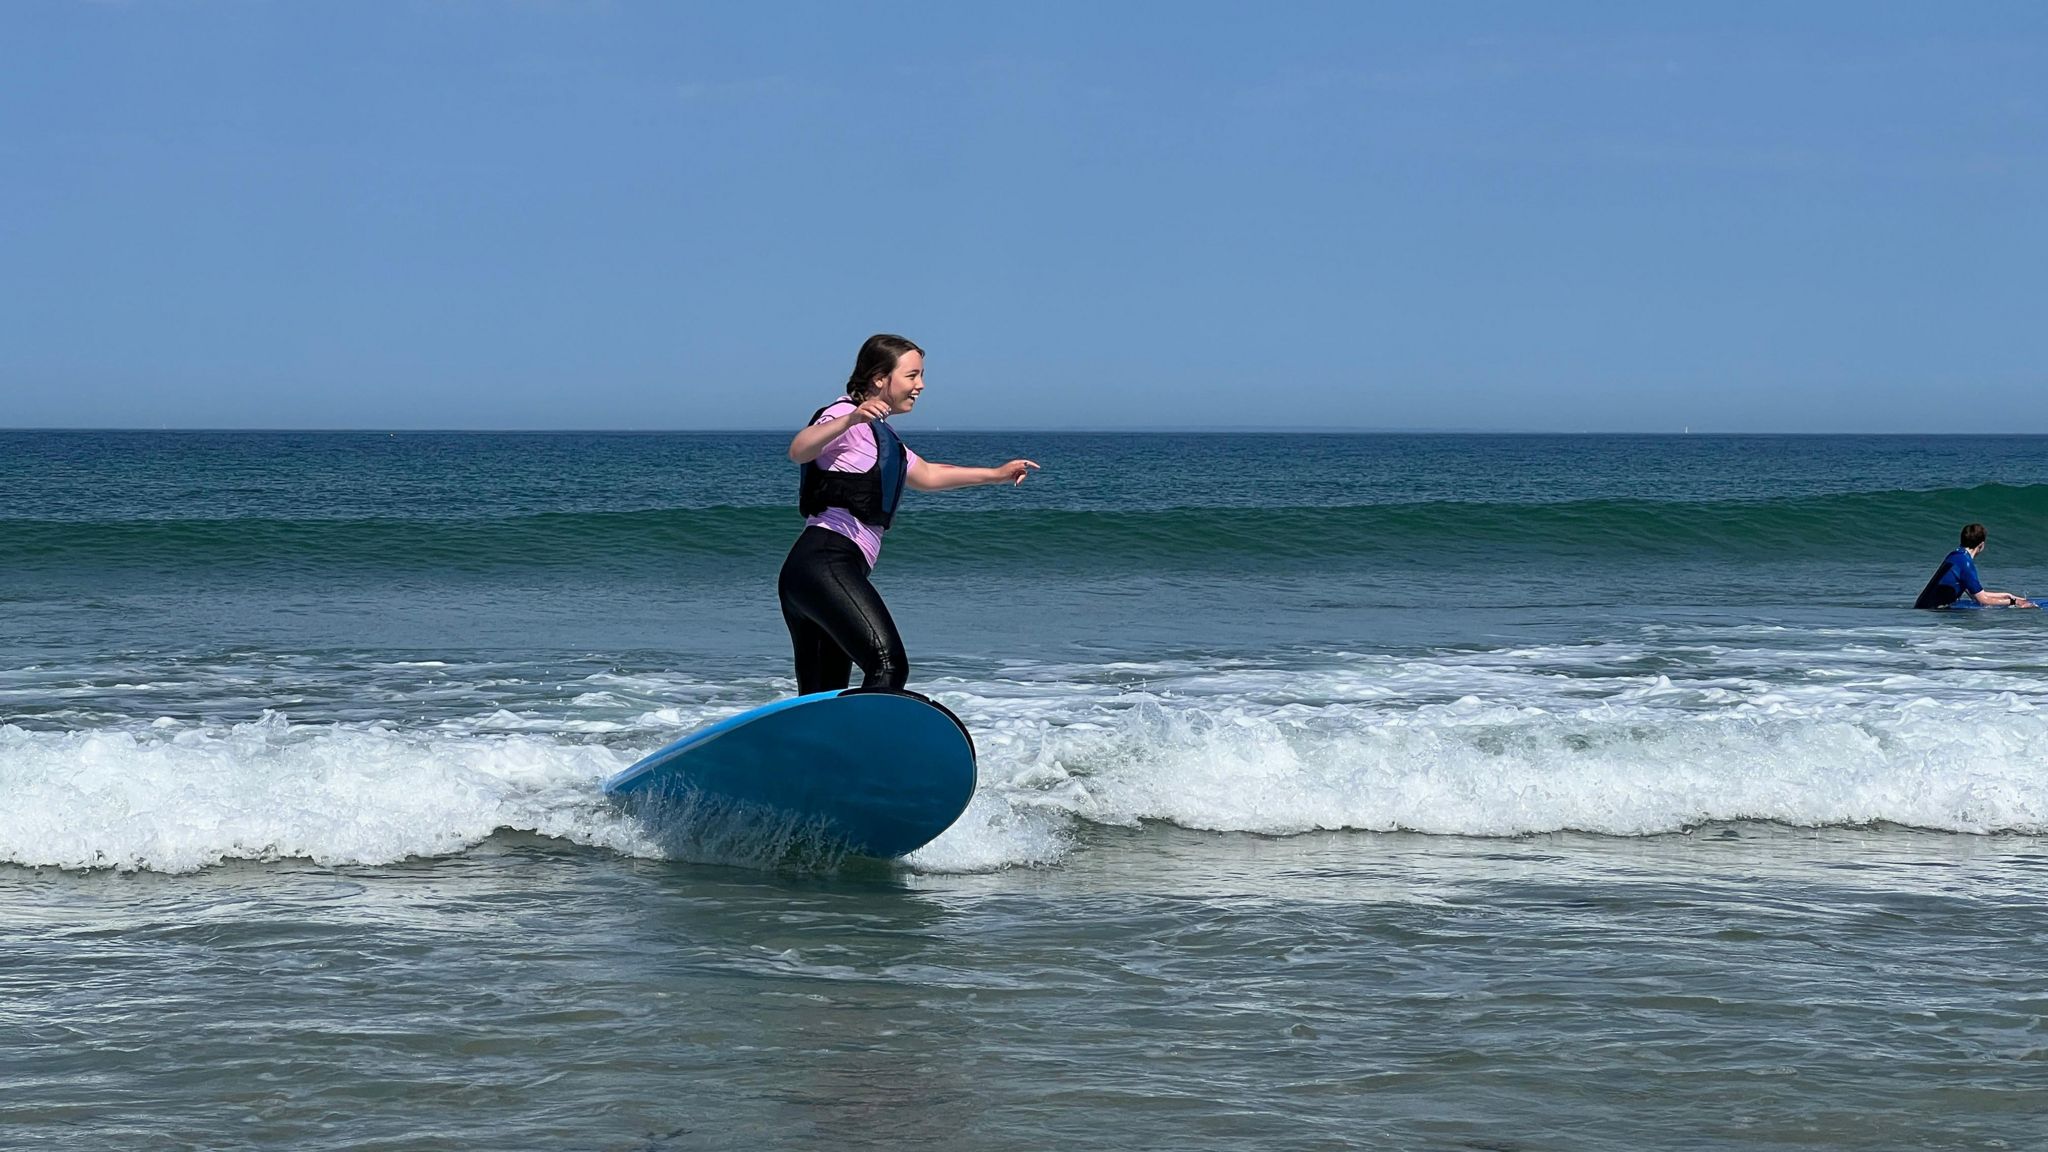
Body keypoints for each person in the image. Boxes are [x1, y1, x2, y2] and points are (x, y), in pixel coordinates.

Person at [778, 334, 1039, 695]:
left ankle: (815, 750)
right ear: (879, 378)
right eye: (912, 375)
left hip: (814, 573)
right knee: (888, 665)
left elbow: (928, 475)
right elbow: (799, 450)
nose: (921, 385)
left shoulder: (883, 436)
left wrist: (996, 474)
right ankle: (877, 748)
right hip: (825, 563)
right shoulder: (842, 416)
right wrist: (849, 419)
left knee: (822, 697)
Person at [1913, 523, 2035, 609]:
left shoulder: (1955, 555)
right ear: (1981, 545)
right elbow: (1982, 600)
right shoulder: (1965, 563)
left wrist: (2007, 595)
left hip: (1924, 609)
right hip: (1932, 611)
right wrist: (2015, 602)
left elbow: (1977, 594)